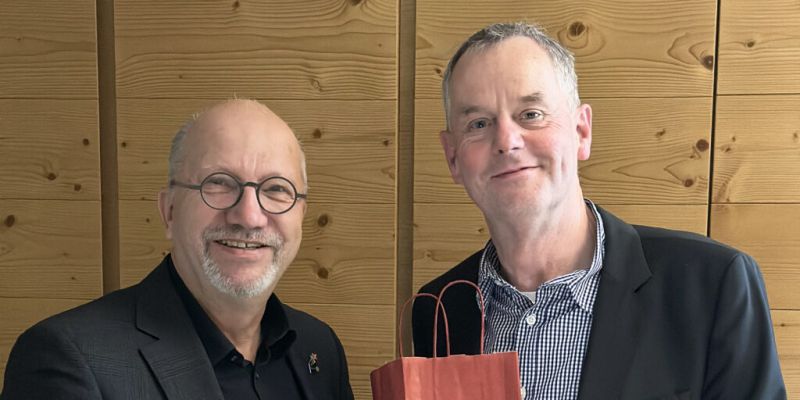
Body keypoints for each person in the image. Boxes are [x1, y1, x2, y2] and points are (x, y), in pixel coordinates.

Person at [412, 22, 785, 400]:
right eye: (478, 123)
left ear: (581, 131)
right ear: (453, 157)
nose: (507, 141)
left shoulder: (713, 285)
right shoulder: (436, 310)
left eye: (531, 114)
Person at [2, 99, 354, 399]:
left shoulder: (319, 348)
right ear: (169, 211)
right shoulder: (67, 359)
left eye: (276, 189)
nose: (249, 216)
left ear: (301, 215)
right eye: (219, 183)